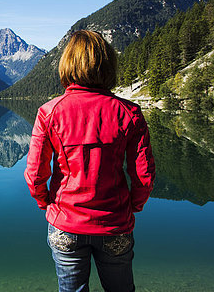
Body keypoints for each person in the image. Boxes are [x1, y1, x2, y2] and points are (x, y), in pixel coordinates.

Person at [24, 30, 155, 292]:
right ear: (107, 65)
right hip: (114, 223)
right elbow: (144, 175)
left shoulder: (49, 113)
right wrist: (132, 208)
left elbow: (35, 174)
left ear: (67, 66)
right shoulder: (129, 113)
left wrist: (46, 205)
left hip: (65, 224)